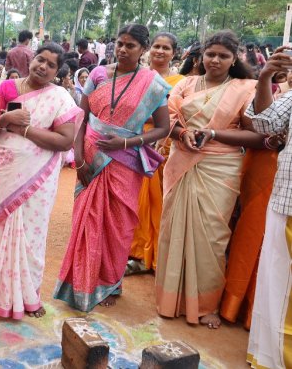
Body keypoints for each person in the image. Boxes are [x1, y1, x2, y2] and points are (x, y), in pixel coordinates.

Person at [53, 24, 171, 311]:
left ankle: (109, 283)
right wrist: (79, 157)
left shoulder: (152, 84)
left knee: (118, 225)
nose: (122, 49)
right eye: (120, 43)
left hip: (124, 161)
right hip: (91, 156)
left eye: (130, 45)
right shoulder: (97, 74)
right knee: (86, 220)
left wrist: (128, 144)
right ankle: (79, 283)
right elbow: (82, 117)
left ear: (143, 49)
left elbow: (163, 128)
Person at [156, 30, 264, 329]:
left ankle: (207, 305)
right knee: (173, 230)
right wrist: (181, 134)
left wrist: (213, 134)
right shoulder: (187, 84)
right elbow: (169, 121)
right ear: (201, 55)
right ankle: (171, 299)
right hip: (181, 160)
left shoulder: (245, 88)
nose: (215, 60)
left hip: (221, 165)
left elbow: (255, 134)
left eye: (223, 55)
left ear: (234, 59)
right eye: (211, 54)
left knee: (212, 237)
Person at [0, 43, 81, 319]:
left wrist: (23, 128)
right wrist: (5, 119)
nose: (43, 67)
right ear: (32, 58)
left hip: (38, 176)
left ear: (57, 71)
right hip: (5, 170)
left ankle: (29, 296)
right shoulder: (7, 88)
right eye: (40, 59)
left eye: (50, 64)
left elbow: (64, 141)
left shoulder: (60, 97)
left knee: (33, 236)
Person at [244, 48, 292, 368]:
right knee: (278, 281)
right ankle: (273, 358)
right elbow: (263, 124)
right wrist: (264, 78)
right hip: (288, 201)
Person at [127, 32, 184, 275]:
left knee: (158, 200)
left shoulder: (181, 82)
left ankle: (156, 255)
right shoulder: (138, 76)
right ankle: (136, 253)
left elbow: (177, 114)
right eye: (157, 47)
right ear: (149, 49)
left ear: (174, 52)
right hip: (132, 141)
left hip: (163, 143)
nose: (160, 52)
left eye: (166, 48)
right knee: (136, 200)